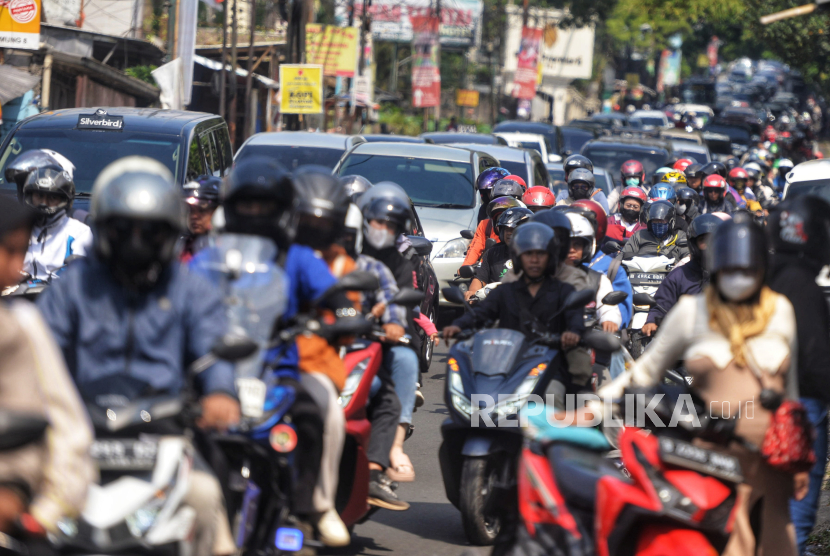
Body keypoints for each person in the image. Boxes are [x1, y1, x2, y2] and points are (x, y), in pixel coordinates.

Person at [36, 157, 239, 556]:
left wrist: (220, 393)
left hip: (163, 431)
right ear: (105, 228)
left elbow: (214, 351)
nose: (136, 241)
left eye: (150, 231)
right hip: (76, 433)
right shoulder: (72, 286)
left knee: (204, 493)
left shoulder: (191, 290)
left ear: (170, 233)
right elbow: (41, 351)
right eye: (124, 228)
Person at [600, 217, 804, 556]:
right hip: (710, 453)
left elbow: (791, 391)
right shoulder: (692, 312)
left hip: (770, 456)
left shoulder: (780, 310)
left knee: (776, 541)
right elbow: (641, 375)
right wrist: (593, 406)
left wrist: (797, 455)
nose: (739, 277)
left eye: (748, 269)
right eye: (730, 268)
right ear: (715, 266)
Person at [0, 197, 94, 547]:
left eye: (21, 252)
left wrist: (44, 512)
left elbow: (68, 430)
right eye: (9, 252)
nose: (18, 270)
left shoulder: (23, 324)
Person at [767, 197, 830, 555]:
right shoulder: (801, 283)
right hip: (800, 413)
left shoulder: (770, 273)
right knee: (794, 528)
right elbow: (814, 360)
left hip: (762, 405)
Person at [360, 195, 424, 509]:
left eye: (390, 225)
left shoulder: (400, 263)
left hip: (385, 339)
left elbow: (401, 305)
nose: (382, 229)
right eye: (377, 221)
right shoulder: (348, 254)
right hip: (342, 340)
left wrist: (392, 322)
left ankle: (395, 446)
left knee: (406, 360)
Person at [444, 222, 582, 350]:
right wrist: (459, 325)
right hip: (509, 352)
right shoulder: (506, 290)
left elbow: (574, 316)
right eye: (528, 254)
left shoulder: (564, 290)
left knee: (579, 368)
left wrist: (573, 333)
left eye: (540, 254)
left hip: (547, 353)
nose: (534, 260)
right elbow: (482, 311)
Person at [4, 150, 92, 282]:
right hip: (14, 295)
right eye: (39, 196)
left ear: (64, 199)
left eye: (52, 197)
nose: (44, 203)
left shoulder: (79, 233)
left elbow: (79, 279)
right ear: (29, 195)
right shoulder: (19, 230)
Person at [641, 213, 722, 336]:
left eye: (713, 240)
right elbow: (660, 307)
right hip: (686, 339)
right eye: (704, 240)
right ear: (693, 244)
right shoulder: (679, 276)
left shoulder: (731, 275)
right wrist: (652, 322)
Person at [466, 207, 533, 299]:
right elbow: (480, 278)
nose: (509, 233)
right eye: (506, 229)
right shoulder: (492, 253)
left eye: (513, 229)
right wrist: (473, 292)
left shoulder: (536, 255)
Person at [461, 196, 526, 267]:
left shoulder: (527, 249)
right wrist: (465, 267)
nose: (509, 232)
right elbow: (475, 249)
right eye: (501, 219)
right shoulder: (491, 252)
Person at [621, 200, 689, 260]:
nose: (658, 224)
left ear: (671, 221)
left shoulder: (680, 237)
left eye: (662, 221)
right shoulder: (639, 235)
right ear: (650, 222)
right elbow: (622, 255)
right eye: (655, 221)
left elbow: (688, 258)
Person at [181, 175, 221, 263]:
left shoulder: (226, 248)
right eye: (191, 210)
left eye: (202, 210)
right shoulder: (182, 248)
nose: (194, 216)